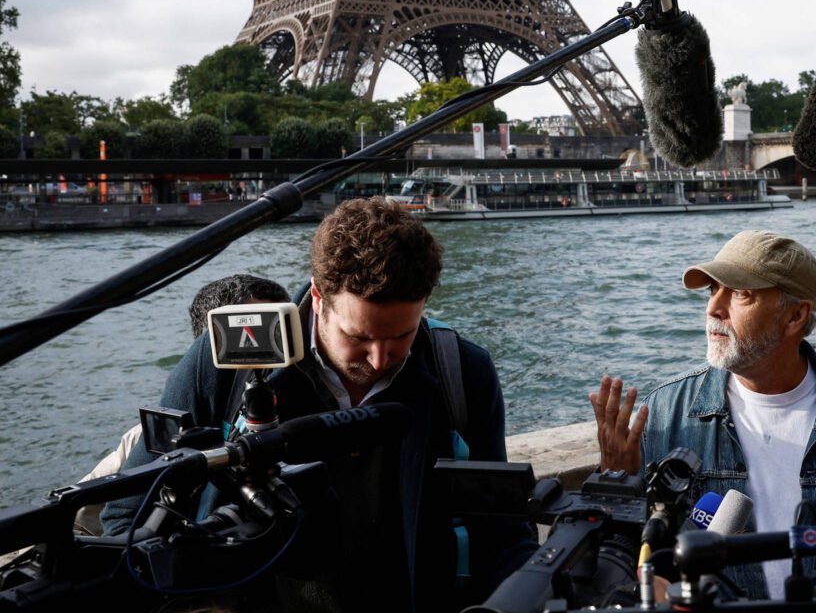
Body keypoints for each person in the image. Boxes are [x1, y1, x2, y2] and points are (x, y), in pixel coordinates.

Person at [102, 197, 534, 611]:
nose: (379, 359)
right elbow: (127, 518)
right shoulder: (223, 360)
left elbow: (499, 527)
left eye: (401, 336)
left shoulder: (462, 370)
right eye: (359, 337)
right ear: (318, 297)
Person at [590, 230, 816, 611]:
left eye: (740, 293)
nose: (713, 308)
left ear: (795, 315)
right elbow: (624, 566)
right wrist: (616, 489)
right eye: (713, 291)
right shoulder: (667, 412)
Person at [72, 274, 290, 537]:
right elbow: (93, 519)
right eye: (248, 332)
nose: (271, 348)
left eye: (281, 330)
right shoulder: (143, 441)